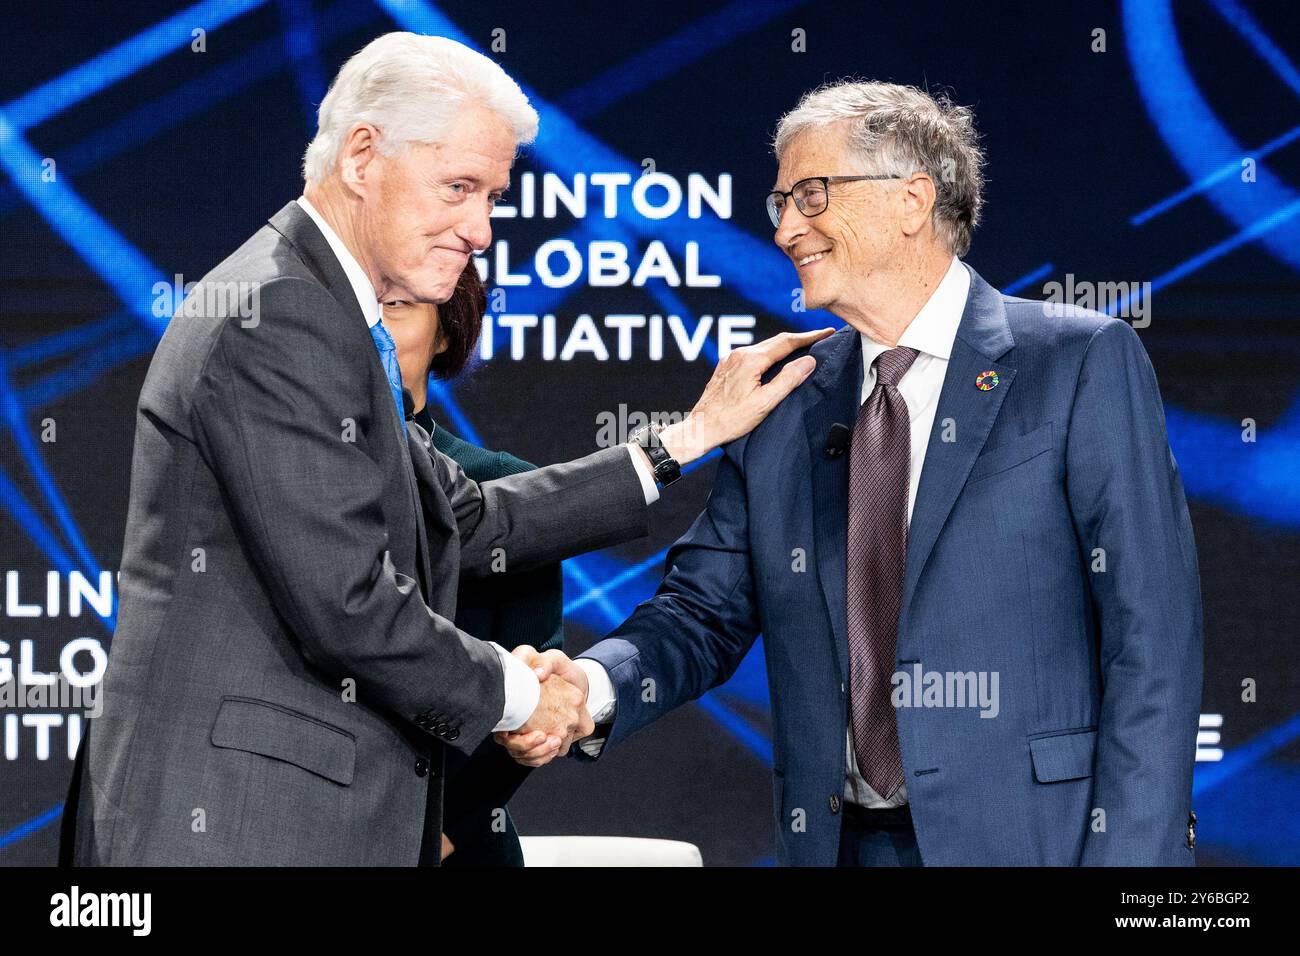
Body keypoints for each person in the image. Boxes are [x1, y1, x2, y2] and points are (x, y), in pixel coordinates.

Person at [61, 32, 828, 867]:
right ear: (362, 156)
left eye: (492, 197)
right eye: (460, 188)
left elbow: (468, 519)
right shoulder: (282, 313)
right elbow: (350, 607)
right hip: (240, 825)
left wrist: (685, 441)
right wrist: (525, 695)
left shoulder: (328, 313)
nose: (482, 230)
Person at [499, 80, 1205, 867]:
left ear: (912, 199)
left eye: (811, 195)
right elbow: (702, 613)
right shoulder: (785, 399)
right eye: (781, 204)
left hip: (1036, 843)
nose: (786, 228)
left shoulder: (1075, 364)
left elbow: (1154, 642)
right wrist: (585, 690)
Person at [383, 268, 562, 866]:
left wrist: (442, 831)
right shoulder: (288, 479)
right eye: (358, 307)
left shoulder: (506, 487)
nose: (372, 331)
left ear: (444, 332)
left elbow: (532, 690)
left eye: (397, 307)